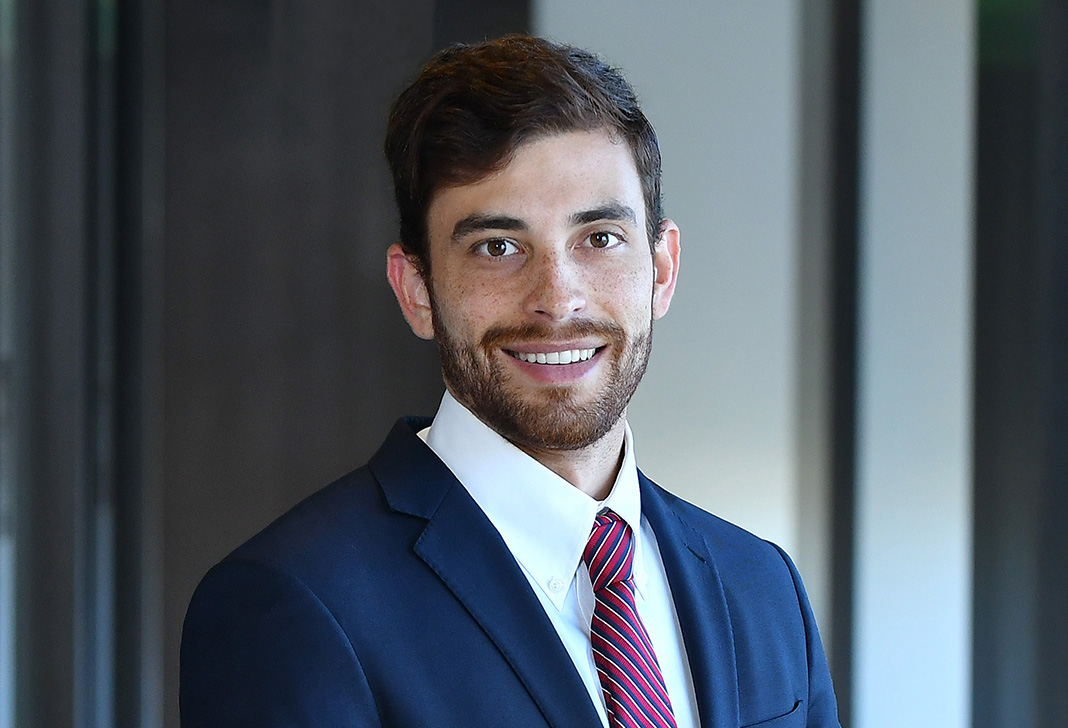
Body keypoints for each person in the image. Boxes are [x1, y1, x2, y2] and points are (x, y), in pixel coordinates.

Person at [180, 35, 840, 728]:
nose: (557, 299)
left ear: (662, 268)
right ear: (417, 291)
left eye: (600, 238)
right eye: (498, 247)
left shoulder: (763, 588)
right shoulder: (294, 604)